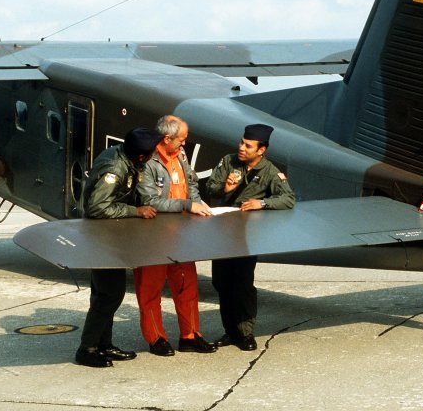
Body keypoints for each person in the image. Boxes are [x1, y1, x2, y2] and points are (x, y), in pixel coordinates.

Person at [75, 127, 163, 368]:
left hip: (112, 236)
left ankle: (104, 345)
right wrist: (135, 211)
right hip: (102, 239)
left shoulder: (127, 159)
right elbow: (96, 207)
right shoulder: (115, 168)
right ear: (142, 156)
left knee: (106, 294)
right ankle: (87, 348)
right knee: (108, 295)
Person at [206, 123, 296, 351]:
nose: (242, 148)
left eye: (248, 145)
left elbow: (288, 199)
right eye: (241, 143)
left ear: (261, 150)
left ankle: (246, 334)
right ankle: (230, 332)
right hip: (223, 232)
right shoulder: (229, 162)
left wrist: (262, 203)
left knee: (243, 285)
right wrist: (225, 189)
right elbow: (210, 187)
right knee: (221, 283)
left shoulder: (269, 172)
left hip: (247, 236)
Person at [135, 115, 217, 356]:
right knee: (150, 289)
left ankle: (190, 335)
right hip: (153, 236)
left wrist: (197, 202)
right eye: (181, 140)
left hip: (181, 235)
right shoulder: (147, 161)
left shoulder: (180, 156)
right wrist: (187, 205)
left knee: (186, 285)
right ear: (167, 138)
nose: (184, 144)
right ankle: (156, 338)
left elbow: (191, 183)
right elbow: (150, 201)